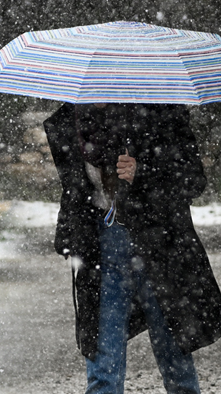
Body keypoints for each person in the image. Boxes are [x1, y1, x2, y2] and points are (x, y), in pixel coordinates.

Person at [43, 103, 221, 394]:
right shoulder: (69, 121)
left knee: (174, 353)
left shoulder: (161, 112)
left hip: (158, 244)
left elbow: (193, 179)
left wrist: (144, 172)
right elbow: (74, 190)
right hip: (101, 249)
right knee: (103, 360)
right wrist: (69, 234)